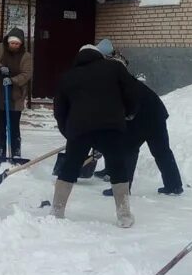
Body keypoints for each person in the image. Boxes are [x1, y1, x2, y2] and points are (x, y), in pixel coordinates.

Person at [51, 44, 141, 227]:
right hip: (111, 127)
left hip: (79, 129)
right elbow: (133, 91)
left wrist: (68, 132)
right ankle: (124, 215)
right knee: (117, 167)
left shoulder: (68, 76)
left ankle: (57, 210)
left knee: (69, 167)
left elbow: (60, 110)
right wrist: (129, 113)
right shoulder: (114, 68)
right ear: (99, 55)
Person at [96, 38, 183, 196]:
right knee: (162, 151)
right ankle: (174, 185)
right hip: (155, 113)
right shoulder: (118, 76)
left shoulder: (116, 79)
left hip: (143, 115)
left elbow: (126, 102)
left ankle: (122, 188)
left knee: (129, 149)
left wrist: (125, 118)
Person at [0, 27, 33, 166]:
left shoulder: (26, 56)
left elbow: (27, 74)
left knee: (13, 127)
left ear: (21, 44)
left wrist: (13, 80)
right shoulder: (0, 49)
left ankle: (16, 152)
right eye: (12, 43)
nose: (14, 46)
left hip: (15, 98)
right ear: (8, 42)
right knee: (0, 126)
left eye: (17, 44)